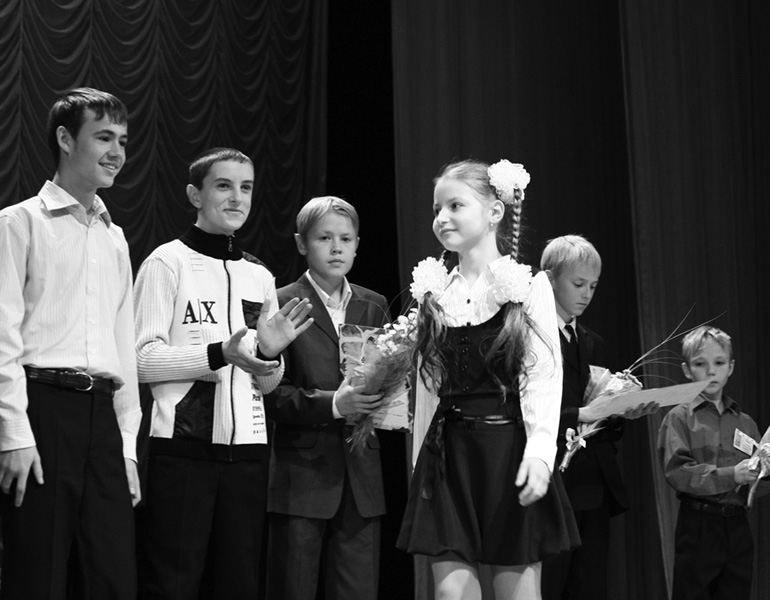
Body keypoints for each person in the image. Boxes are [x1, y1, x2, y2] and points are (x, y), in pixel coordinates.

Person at [133, 147, 313, 599]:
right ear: (195, 195)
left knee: (239, 585)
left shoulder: (260, 276)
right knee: (172, 585)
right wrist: (218, 354)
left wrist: (269, 355)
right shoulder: (166, 262)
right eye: (224, 186)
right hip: (183, 451)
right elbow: (142, 359)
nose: (237, 197)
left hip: (249, 456)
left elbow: (266, 383)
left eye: (246, 187)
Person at [397, 159, 579, 599]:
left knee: (517, 591)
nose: (442, 218)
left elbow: (542, 376)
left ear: (495, 211)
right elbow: (428, 388)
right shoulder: (434, 292)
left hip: (506, 450)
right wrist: (419, 465)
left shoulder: (527, 286)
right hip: (448, 455)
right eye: (437, 209)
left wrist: (540, 453)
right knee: (451, 593)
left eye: (455, 205)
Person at [0, 87, 140, 598]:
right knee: (37, 575)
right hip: (43, 409)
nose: (116, 151)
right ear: (65, 139)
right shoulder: (18, 223)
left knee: (113, 578)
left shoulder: (114, 237)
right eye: (103, 137)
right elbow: (2, 338)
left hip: (102, 418)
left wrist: (127, 449)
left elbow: (122, 346)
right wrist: (14, 434)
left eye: (122, 140)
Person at [264, 196, 389, 600]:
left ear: (357, 245)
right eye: (324, 238)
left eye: (345, 239)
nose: (337, 248)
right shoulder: (280, 302)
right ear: (301, 243)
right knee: (293, 589)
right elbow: (268, 393)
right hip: (300, 477)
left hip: (362, 476)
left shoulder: (374, 305)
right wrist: (335, 404)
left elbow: (388, 382)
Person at [539, 234, 652, 600]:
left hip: (592, 482)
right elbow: (522, 408)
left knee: (589, 585)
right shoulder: (530, 337)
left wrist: (622, 411)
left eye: (593, 286)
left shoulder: (593, 342)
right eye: (578, 284)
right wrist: (580, 414)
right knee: (547, 584)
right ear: (549, 279)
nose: (587, 294)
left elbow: (603, 421)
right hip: (548, 480)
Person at [658, 326, 768, 600]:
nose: (711, 372)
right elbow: (678, 472)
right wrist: (733, 474)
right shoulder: (680, 417)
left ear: (730, 367)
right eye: (700, 364)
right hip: (699, 524)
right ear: (687, 370)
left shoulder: (745, 422)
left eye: (719, 363)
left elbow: (757, 485)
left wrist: (763, 472)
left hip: (738, 525)